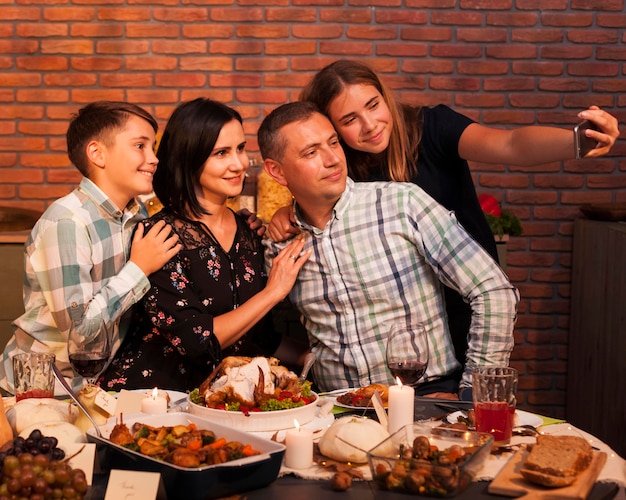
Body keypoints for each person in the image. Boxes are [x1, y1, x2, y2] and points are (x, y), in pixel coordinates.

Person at [268, 59, 620, 371]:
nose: (369, 124)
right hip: (402, 321)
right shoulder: (341, 164)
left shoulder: (432, 127)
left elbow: (510, 143)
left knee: (475, 397)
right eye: (349, 120)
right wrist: (286, 211)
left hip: (468, 298)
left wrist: (577, 140)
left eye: (374, 105)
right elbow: (315, 199)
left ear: (384, 96)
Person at [258, 101, 520, 400]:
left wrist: (474, 395)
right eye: (311, 152)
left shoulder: (401, 204)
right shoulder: (281, 243)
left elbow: (493, 290)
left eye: (333, 143)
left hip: (425, 397)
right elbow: (258, 331)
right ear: (276, 172)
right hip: (337, 409)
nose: (332, 159)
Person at [99, 98, 310, 392]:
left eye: (240, 148)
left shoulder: (249, 233)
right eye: (221, 153)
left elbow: (256, 339)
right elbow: (197, 341)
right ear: (189, 159)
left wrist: (316, 356)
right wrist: (274, 292)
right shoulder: (158, 237)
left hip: (226, 402)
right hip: (156, 402)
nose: (239, 164)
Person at [0, 101, 182, 394]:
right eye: (140, 146)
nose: (154, 158)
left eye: (153, 147)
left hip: (96, 388)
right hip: (42, 390)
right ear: (98, 153)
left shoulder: (136, 216)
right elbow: (79, 333)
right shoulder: (67, 223)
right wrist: (138, 269)